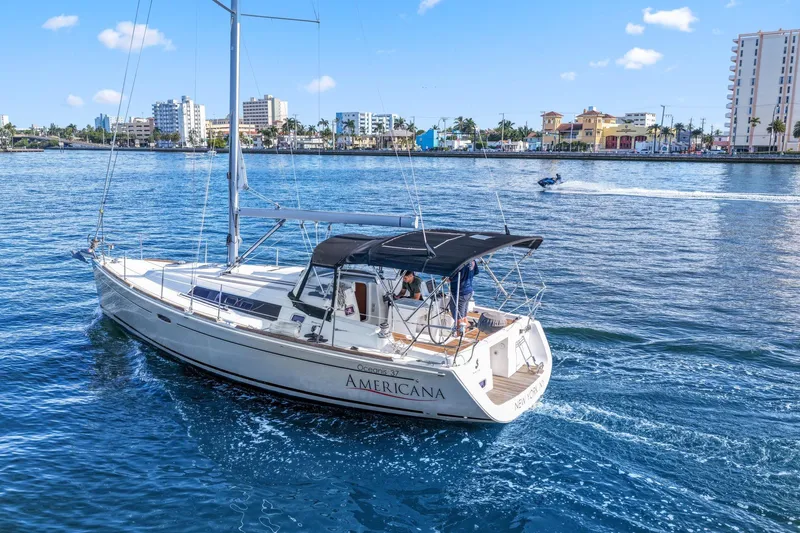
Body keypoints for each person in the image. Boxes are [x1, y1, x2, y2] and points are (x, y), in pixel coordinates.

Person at [447, 260, 479, 331]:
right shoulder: (472, 260)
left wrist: (448, 279)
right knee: (463, 316)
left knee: (458, 319)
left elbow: (456, 277)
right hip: (468, 291)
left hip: (460, 293)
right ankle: (467, 330)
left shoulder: (461, 263)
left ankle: (460, 336)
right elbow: (476, 271)